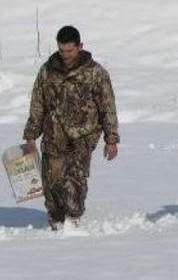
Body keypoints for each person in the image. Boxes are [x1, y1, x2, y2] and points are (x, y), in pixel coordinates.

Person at [22, 25, 120, 231]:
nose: (65, 55)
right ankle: (56, 219)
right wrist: (31, 136)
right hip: (53, 134)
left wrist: (111, 139)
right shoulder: (47, 71)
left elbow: (107, 107)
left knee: (74, 180)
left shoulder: (95, 73)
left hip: (83, 136)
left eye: (70, 51)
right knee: (51, 181)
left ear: (80, 46)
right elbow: (38, 104)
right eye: (61, 51)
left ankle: (74, 218)